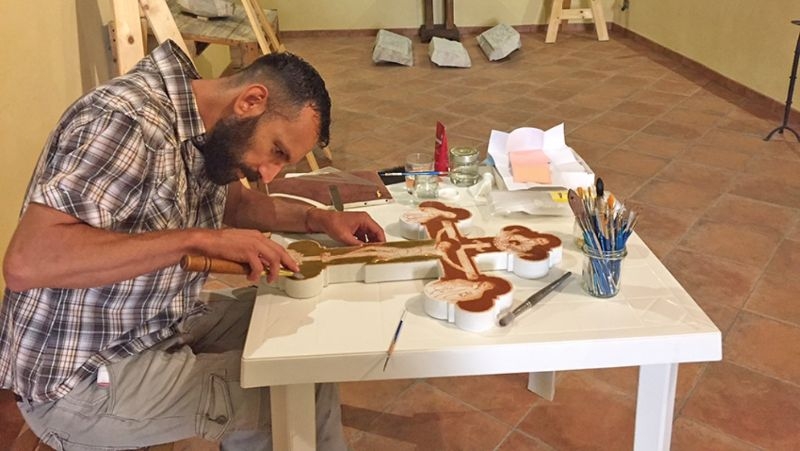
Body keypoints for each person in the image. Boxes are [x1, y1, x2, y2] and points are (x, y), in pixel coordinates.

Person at [0, 39, 385, 450]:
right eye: (276, 151)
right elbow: (26, 262)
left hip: (156, 324)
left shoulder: (203, 122)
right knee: (286, 401)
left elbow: (237, 204)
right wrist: (198, 239)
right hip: (83, 378)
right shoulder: (127, 120)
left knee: (302, 339)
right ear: (251, 101)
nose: (269, 174)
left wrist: (318, 219)